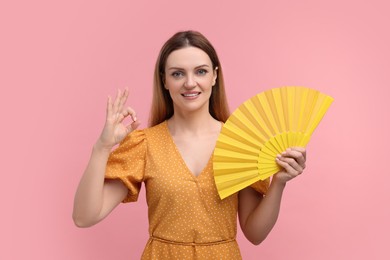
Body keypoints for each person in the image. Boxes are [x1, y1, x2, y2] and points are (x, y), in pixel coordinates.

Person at [72, 30, 307, 259]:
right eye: (177, 74)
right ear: (164, 80)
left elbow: (255, 233)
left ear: (214, 76)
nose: (190, 83)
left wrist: (279, 183)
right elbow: (84, 217)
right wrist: (101, 148)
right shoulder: (145, 144)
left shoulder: (240, 145)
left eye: (200, 71)